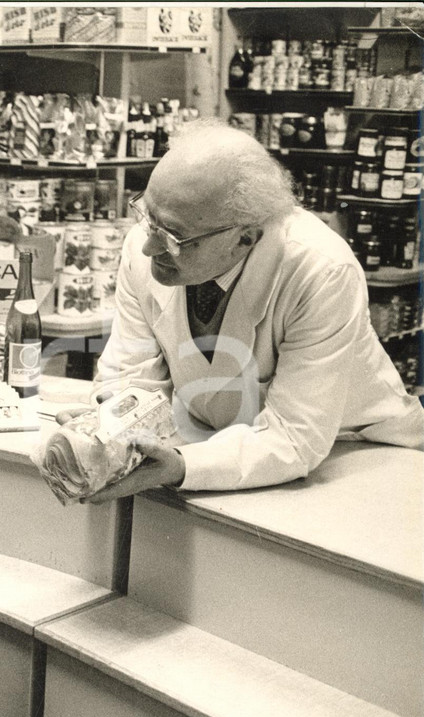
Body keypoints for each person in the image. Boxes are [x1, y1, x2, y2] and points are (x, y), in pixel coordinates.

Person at [61, 120, 424, 502]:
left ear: (245, 237)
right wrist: (105, 430)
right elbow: (131, 376)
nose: (149, 246)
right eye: (148, 216)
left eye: (173, 236)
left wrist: (182, 465)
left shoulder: (321, 271)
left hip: (351, 450)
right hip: (222, 443)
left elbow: (294, 436)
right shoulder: (147, 245)